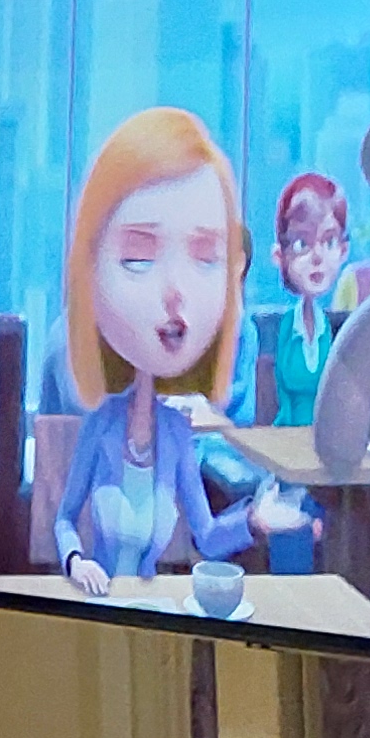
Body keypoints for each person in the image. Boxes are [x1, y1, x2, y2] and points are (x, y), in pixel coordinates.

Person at [42, 107, 308, 610]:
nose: (174, 291)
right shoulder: (99, 419)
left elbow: (208, 535)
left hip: (153, 608)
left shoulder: (178, 434)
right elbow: (63, 519)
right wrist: (76, 562)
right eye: (139, 258)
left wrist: (254, 522)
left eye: (204, 259)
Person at [246, 171, 350, 430]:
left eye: (328, 241)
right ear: (280, 255)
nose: (317, 256)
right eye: (302, 243)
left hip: (329, 444)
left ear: (343, 250)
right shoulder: (276, 332)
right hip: (284, 443)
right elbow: (268, 409)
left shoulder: (343, 333)